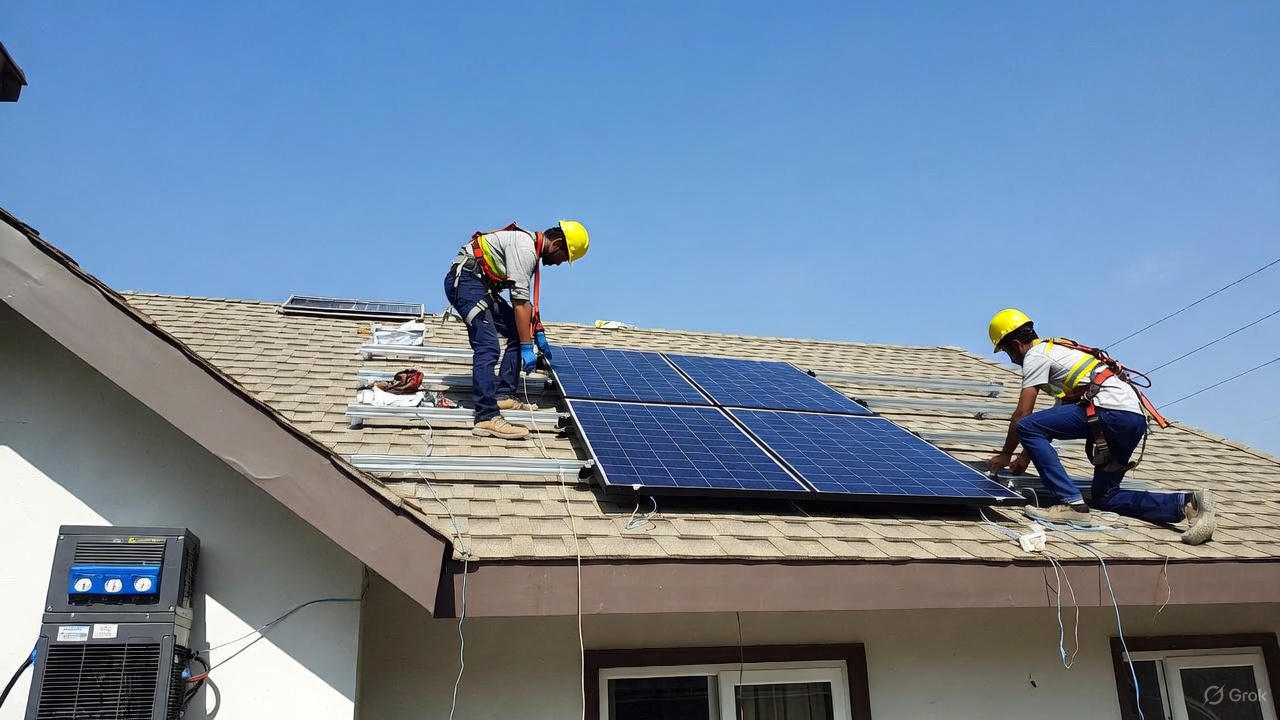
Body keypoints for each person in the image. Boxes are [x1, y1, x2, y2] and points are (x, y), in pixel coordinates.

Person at [985, 309, 1215, 544]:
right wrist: (1025, 456)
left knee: (1026, 425)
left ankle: (1072, 504)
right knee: (1106, 497)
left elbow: (1023, 415)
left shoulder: (1036, 355)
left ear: (1015, 345)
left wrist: (1006, 454)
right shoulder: (1061, 353)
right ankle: (1188, 503)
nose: (1010, 358)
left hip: (1110, 413)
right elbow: (1052, 421)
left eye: (1006, 351)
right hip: (1133, 419)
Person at [443, 220, 589, 439]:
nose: (559, 264)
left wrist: (536, 331)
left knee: (517, 331)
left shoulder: (528, 248)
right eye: (564, 258)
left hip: (479, 285)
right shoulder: (525, 249)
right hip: (466, 283)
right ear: (557, 244)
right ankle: (486, 417)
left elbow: (526, 304)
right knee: (488, 346)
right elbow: (520, 302)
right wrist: (527, 346)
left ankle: (503, 395)